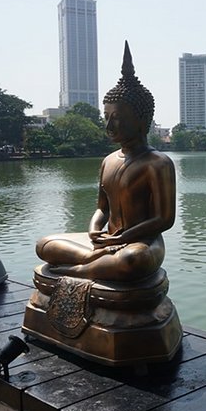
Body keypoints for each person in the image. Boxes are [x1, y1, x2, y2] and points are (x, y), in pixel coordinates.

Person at [36, 42, 176, 282]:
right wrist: (94, 231)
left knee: (133, 261)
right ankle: (95, 260)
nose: (109, 126)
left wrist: (122, 239)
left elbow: (164, 219)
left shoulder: (157, 163)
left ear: (142, 121)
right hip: (108, 241)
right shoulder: (109, 161)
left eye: (118, 118)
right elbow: (102, 207)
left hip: (142, 243)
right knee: (45, 245)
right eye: (106, 117)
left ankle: (79, 269)